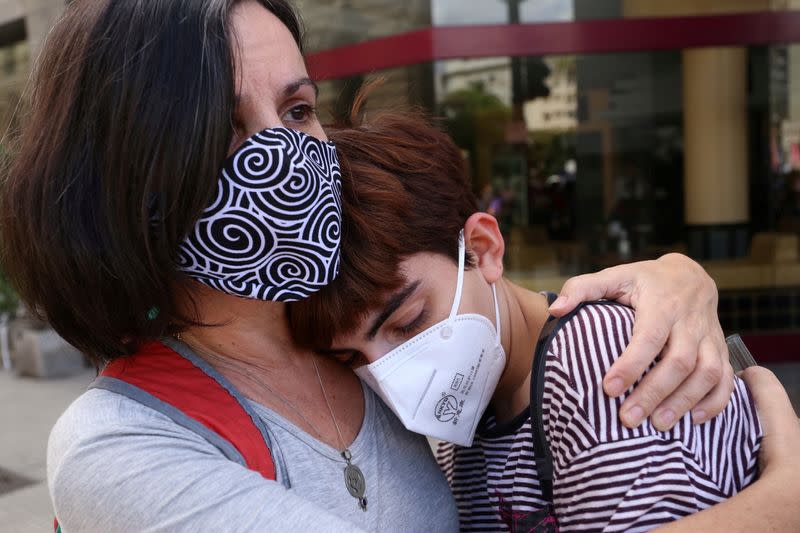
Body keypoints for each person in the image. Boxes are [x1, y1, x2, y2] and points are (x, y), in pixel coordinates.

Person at [0, 0, 770, 531]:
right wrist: (784, 500)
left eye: (298, 111)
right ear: (126, 175)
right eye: (224, 130)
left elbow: (502, 324)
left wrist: (671, 277)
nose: (284, 157)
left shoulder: (339, 331)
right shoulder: (123, 443)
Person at [288, 109, 800, 531]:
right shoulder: (468, 429)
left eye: (409, 321)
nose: (390, 373)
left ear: (483, 249)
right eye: (352, 357)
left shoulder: (600, 364)